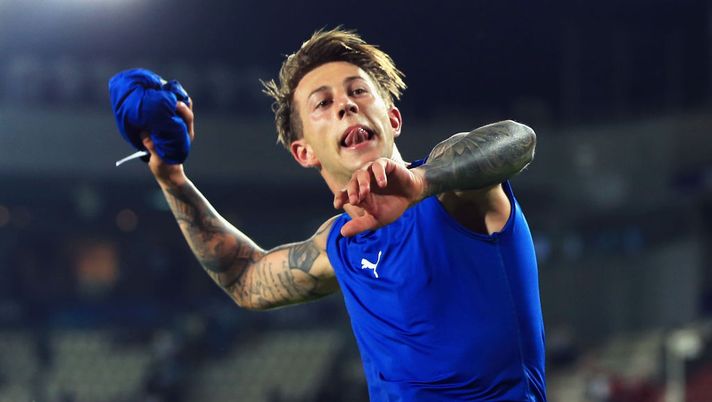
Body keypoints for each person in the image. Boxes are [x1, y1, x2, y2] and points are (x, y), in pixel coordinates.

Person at [140, 28, 546, 402]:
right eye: (323, 103)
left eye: (359, 91)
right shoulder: (340, 244)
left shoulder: (452, 190)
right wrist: (172, 178)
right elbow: (246, 279)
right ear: (304, 152)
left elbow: (519, 140)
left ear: (393, 119)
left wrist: (421, 182)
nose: (347, 105)